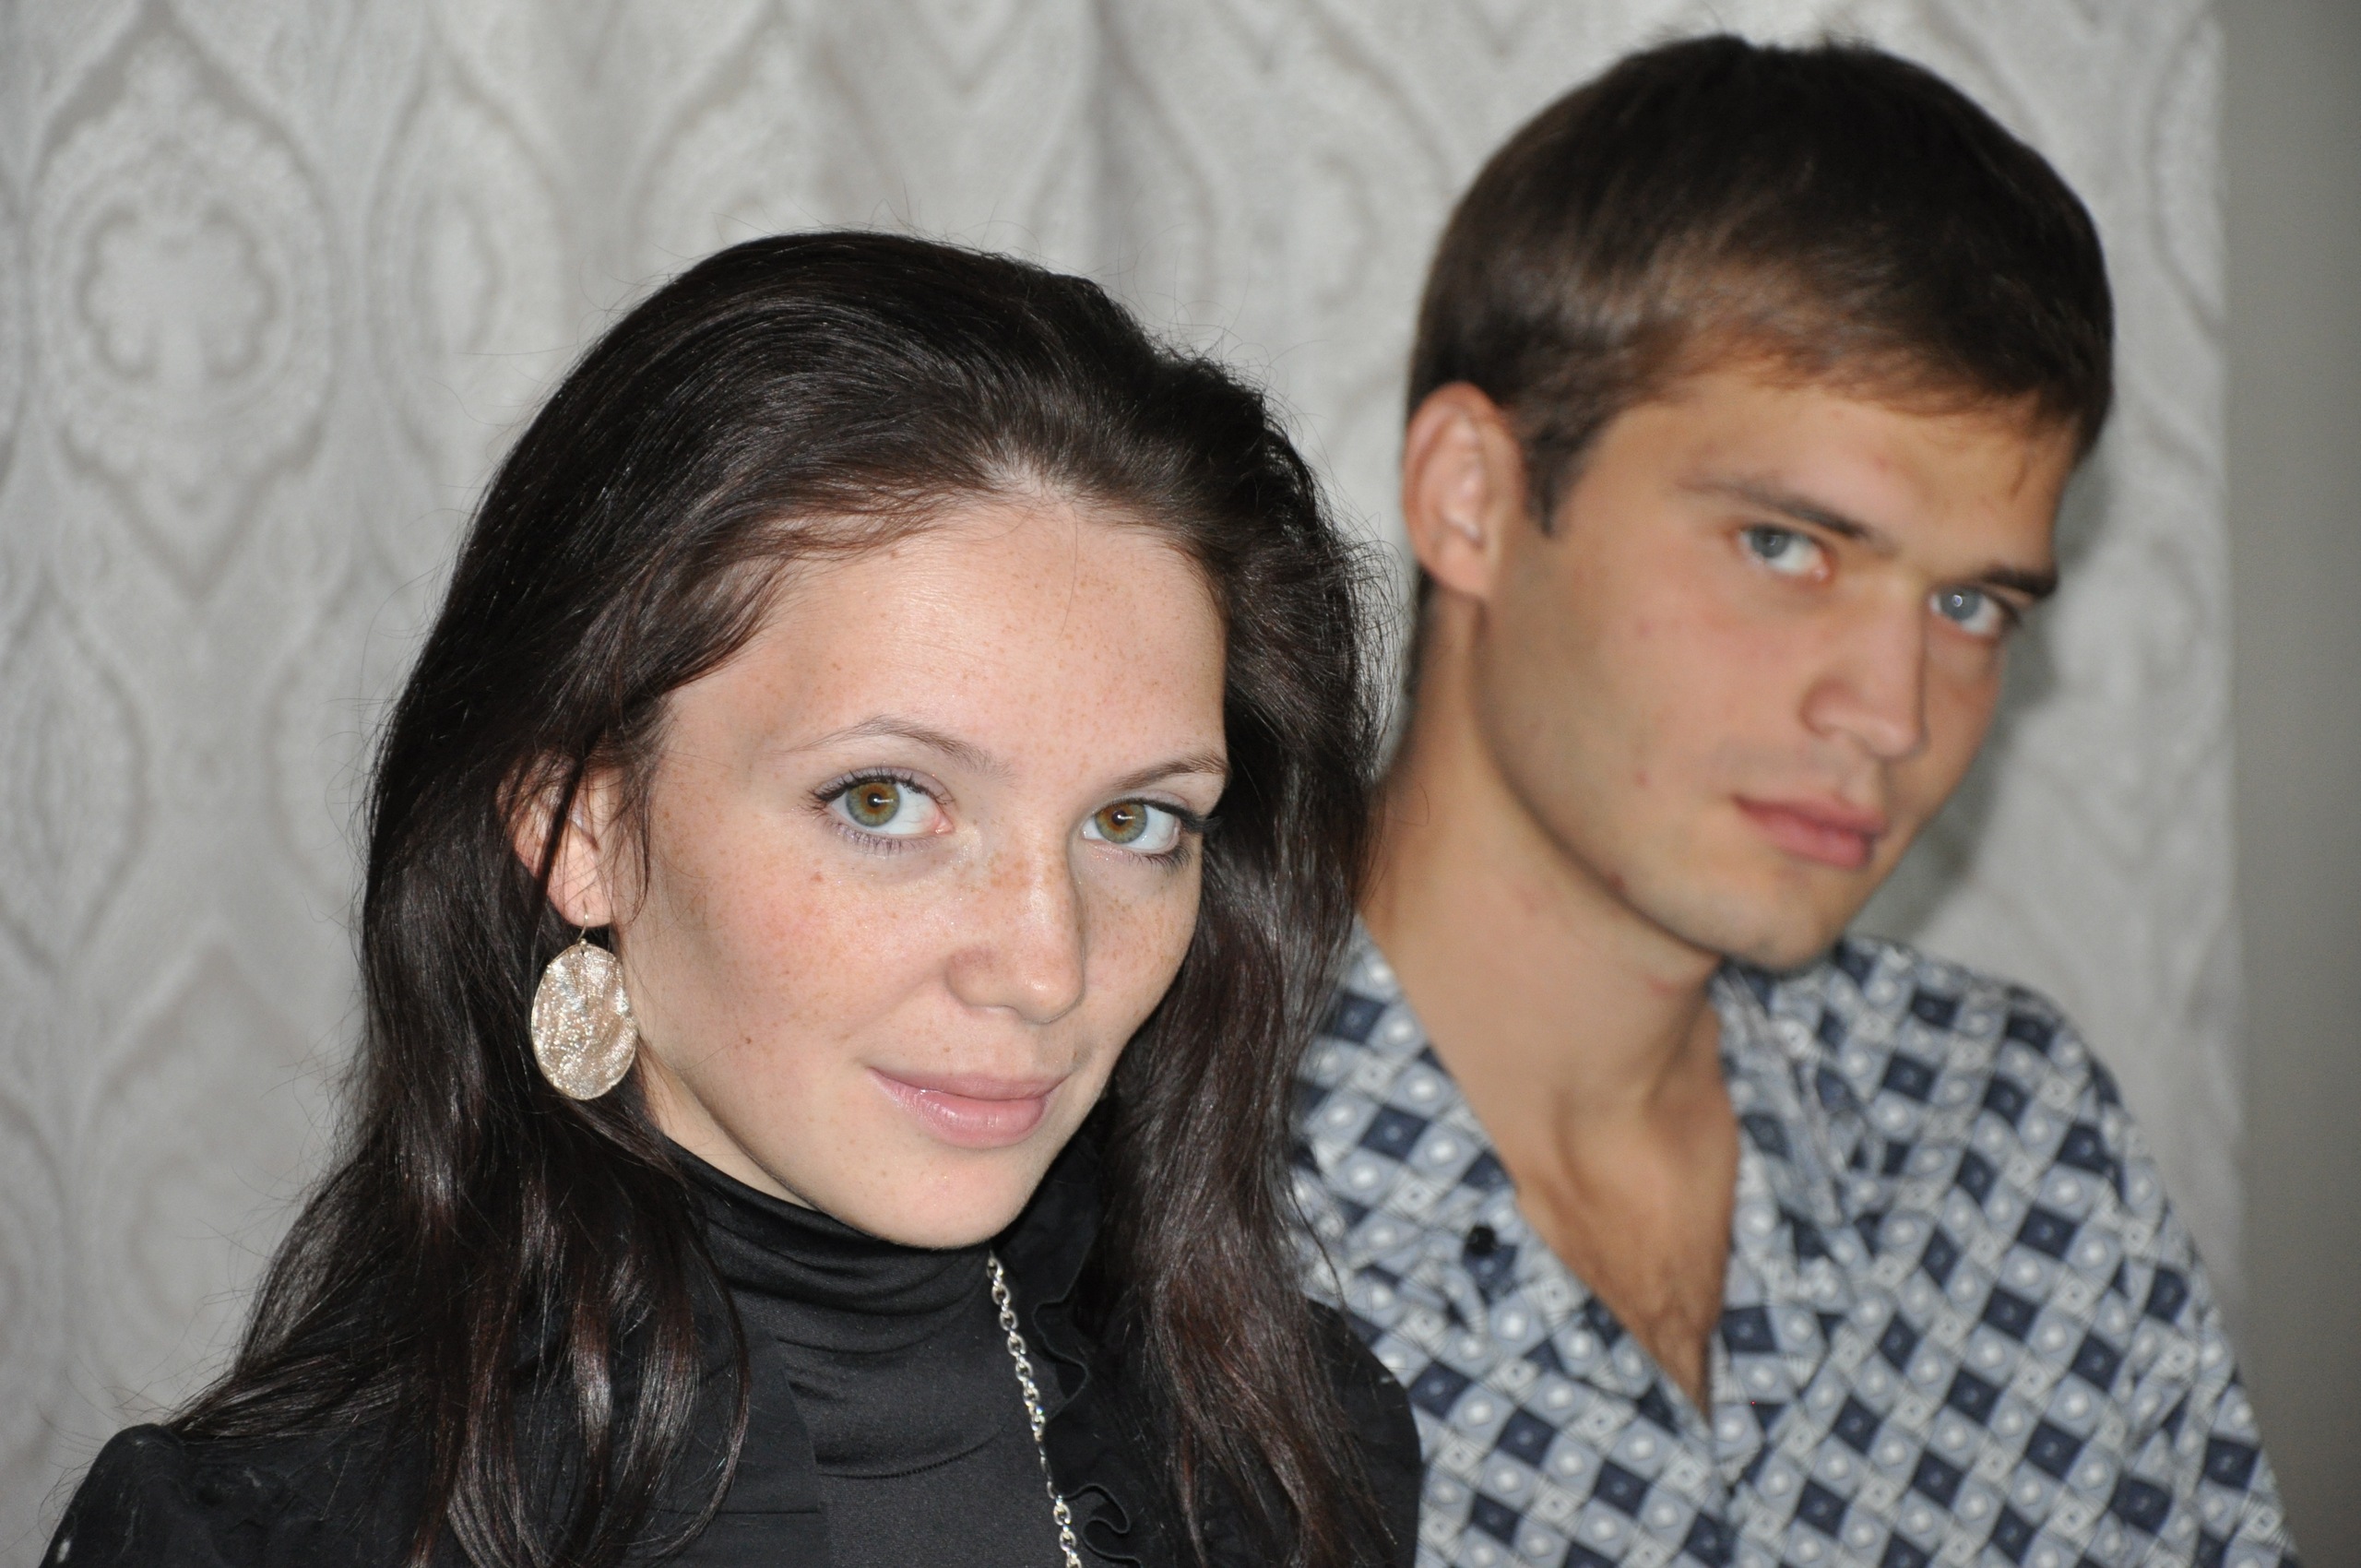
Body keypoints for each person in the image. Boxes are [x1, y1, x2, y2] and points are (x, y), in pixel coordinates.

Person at [45, 233, 1418, 1568]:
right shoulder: (258, 1538)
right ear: (584, 827)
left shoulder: (1291, 1458)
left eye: (1134, 822)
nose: (1046, 966)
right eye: (884, 801)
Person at [1289, 36, 2295, 1568]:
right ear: (1471, 499)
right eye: (1785, 548)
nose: (1893, 715)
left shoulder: (2012, 1136)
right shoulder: (1124, 1201)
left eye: (1970, 606)